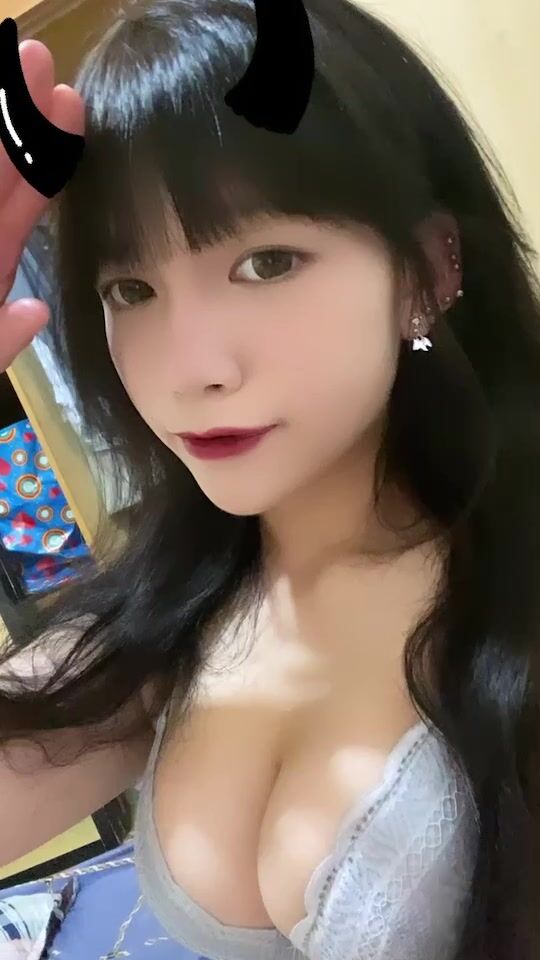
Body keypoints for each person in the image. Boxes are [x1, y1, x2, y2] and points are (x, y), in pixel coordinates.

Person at [1, 1, 540, 958]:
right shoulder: (176, 609)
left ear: (427, 269)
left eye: (267, 262)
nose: (191, 369)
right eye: (132, 289)